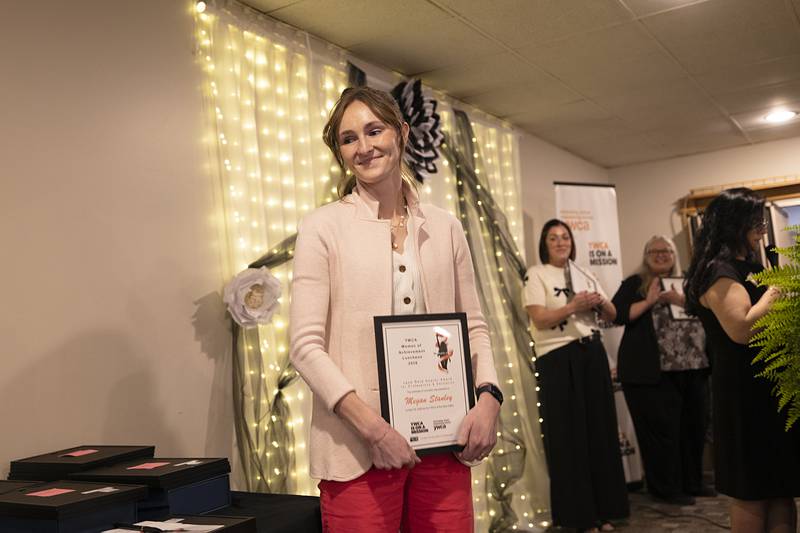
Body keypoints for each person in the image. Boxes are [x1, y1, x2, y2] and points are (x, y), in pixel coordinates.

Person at [289, 86, 502, 532]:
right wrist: (376, 432)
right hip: (356, 449)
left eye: (374, 130)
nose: (364, 147)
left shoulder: (445, 226)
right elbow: (305, 348)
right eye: (349, 139)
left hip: (444, 440)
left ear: (401, 133)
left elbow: (474, 327)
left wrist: (488, 400)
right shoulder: (322, 227)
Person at [684, 187, 800, 533]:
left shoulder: (748, 266)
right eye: (754, 220)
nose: (762, 228)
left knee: (782, 488)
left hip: (772, 391)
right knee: (752, 491)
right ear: (733, 223)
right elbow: (742, 329)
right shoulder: (718, 272)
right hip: (744, 395)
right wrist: (777, 290)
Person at [524, 219, 629, 532]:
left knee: (600, 433)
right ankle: (578, 517)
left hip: (591, 354)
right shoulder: (536, 273)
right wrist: (573, 306)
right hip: (558, 358)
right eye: (553, 238)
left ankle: (606, 510)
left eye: (565, 237)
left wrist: (601, 301)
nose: (560, 242)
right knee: (568, 439)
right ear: (545, 243)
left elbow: (612, 316)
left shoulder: (585, 273)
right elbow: (539, 318)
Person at [611, 235, 711, 506]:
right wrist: (650, 300)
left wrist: (682, 300)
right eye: (654, 250)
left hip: (693, 367)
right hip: (651, 373)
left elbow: (709, 313)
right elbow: (615, 314)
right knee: (662, 435)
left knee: (693, 429)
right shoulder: (635, 284)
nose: (661, 255)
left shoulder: (690, 281)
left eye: (666, 250)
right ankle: (666, 488)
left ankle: (693, 482)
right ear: (645, 255)